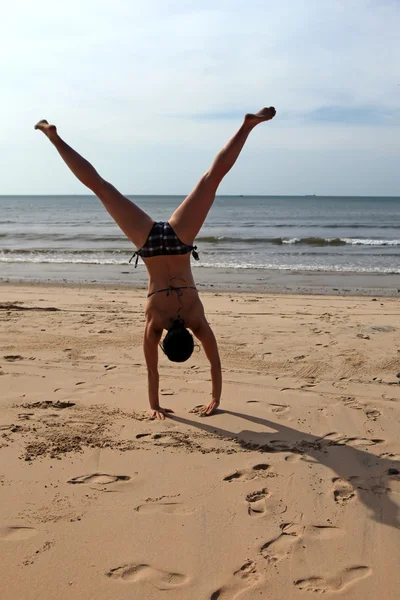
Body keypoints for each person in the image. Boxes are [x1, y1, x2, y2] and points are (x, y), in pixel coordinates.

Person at [35, 107, 276, 419]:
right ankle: (54, 139)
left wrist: (215, 397)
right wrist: (154, 405)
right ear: (165, 342)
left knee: (211, 179)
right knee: (101, 187)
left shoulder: (196, 319)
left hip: (179, 240)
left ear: (190, 338)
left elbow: (215, 363)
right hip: (148, 244)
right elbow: (153, 372)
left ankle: (246, 127)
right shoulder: (154, 326)